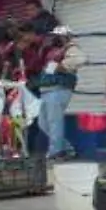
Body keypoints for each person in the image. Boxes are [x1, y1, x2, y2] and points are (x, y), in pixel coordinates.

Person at [29, 26, 86, 161]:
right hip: (46, 90)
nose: (53, 38)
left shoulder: (70, 48)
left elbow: (80, 59)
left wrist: (61, 67)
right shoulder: (51, 50)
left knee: (54, 122)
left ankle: (56, 152)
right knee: (43, 123)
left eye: (57, 36)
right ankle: (66, 148)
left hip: (58, 89)